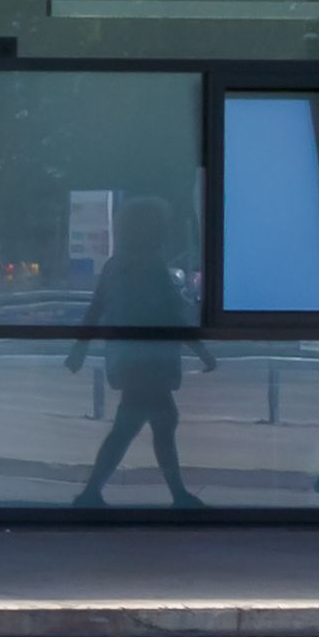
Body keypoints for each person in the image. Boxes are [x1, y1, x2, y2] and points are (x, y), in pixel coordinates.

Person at [66, 193, 202, 509]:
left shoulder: (115, 266)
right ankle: (175, 495)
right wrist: (202, 350)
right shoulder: (153, 268)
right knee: (154, 423)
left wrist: (79, 349)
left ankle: (94, 493)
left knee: (142, 425)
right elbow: (173, 315)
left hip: (128, 358)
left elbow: (95, 309)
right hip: (151, 359)